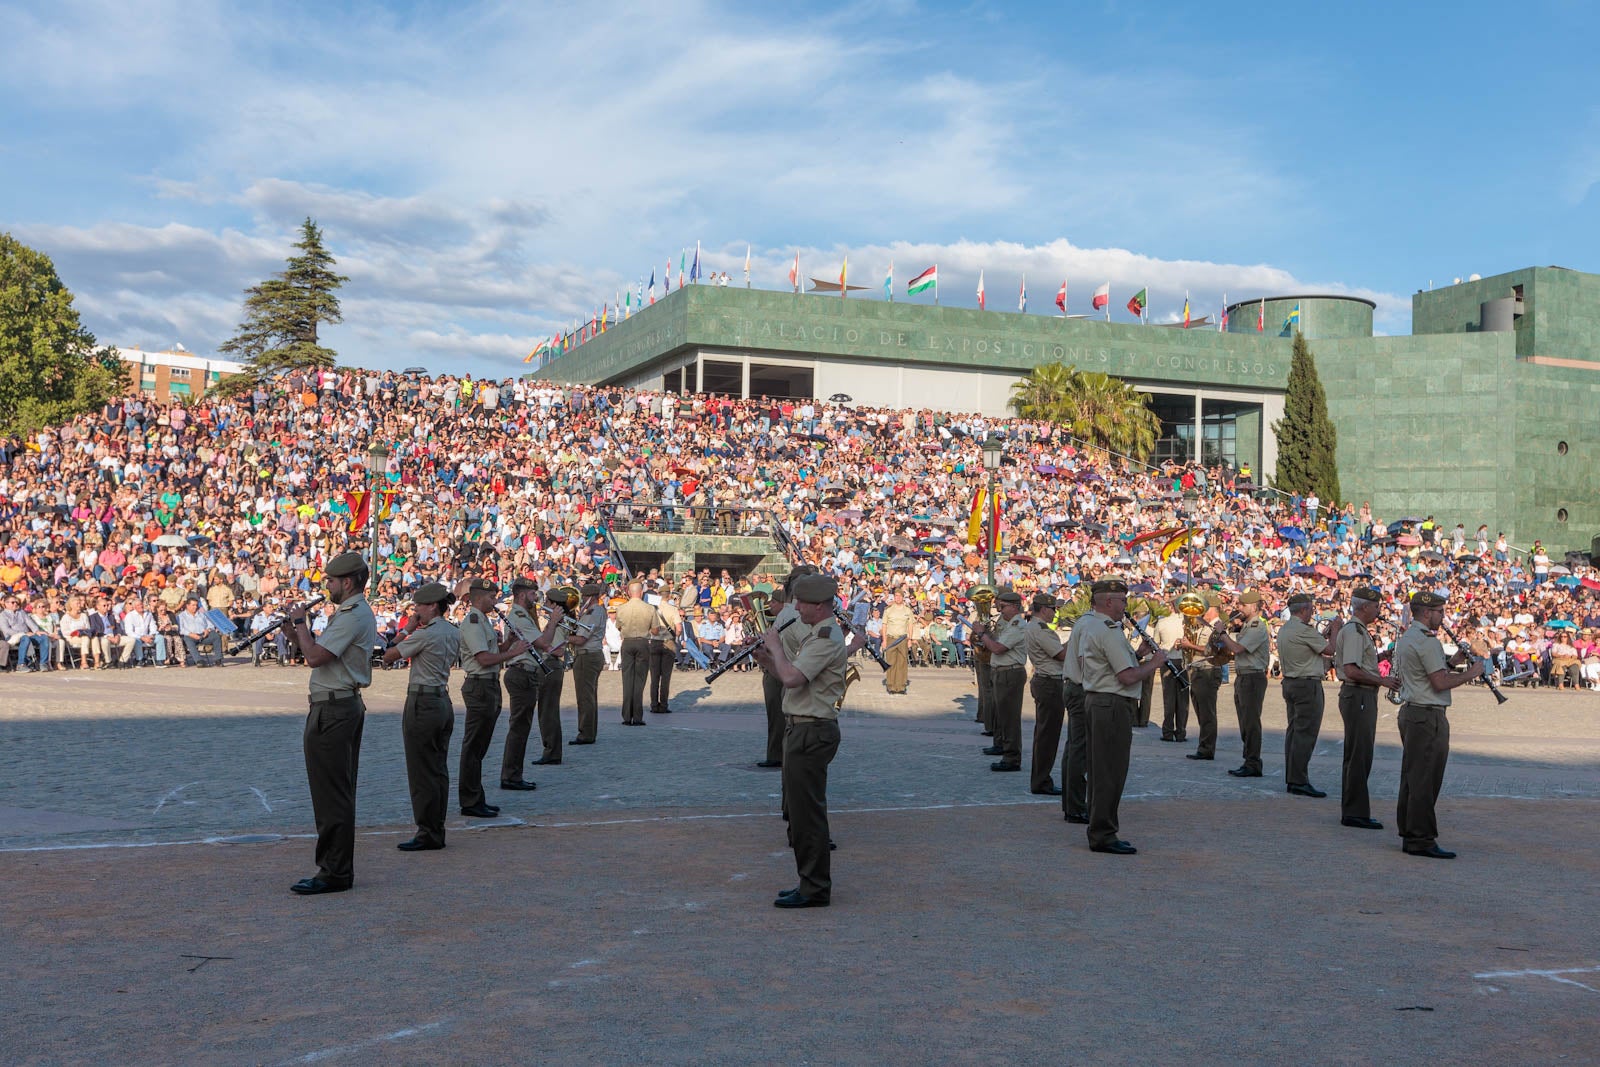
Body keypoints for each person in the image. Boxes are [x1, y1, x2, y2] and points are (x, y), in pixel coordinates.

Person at [752, 573, 849, 909]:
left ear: (819, 606)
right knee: (800, 811)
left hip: (812, 731)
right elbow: (791, 675)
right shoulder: (815, 633)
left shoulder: (824, 635)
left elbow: (792, 678)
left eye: (801, 603)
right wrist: (767, 660)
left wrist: (777, 648)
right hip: (803, 728)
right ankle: (809, 882)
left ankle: (815, 887)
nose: (796, 609)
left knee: (807, 815)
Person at [285, 552, 378, 896]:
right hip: (337, 707)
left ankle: (334, 871)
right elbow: (316, 653)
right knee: (334, 793)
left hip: (334, 711)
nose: (327, 586)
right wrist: (296, 635)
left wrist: (299, 625)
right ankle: (335, 867)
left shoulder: (353, 614)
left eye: (331, 581)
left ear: (347, 582)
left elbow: (315, 658)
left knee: (331, 796)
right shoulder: (349, 613)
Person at [1075, 578, 1168, 855]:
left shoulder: (1094, 624)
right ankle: (1103, 833)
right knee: (1110, 772)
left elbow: (1114, 664)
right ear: (1108, 602)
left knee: (1101, 767)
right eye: (1122, 600)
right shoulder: (1108, 630)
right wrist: (1155, 663)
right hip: (1111, 705)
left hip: (1100, 701)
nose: (1125, 605)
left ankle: (1100, 827)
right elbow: (1126, 676)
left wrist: (1137, 654)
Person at [1393, 590, 1482, 859]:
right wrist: (1471, 673)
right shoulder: (1428, 640)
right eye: (1440, 612)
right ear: (1427, 612)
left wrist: (1451, 663)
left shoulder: (1409, 636)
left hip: (1413, 713)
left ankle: (1410, 831)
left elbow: (1428, 671)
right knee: (1426, 778)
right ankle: (1421, 838)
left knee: (1413, 776)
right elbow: (1439, 683)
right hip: (1426, 715)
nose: (1443, 617)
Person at [382, 582, 459, 852]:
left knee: (421, 771)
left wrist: (406, 630)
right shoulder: (451, 631)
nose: (415, 611)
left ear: (433, 606)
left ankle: (428, 831)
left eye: (419, 607)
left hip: (422, 702)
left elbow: (389, 655)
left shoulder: (425, 634)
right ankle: (436, 826)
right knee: (438, 769)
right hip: (442, 700)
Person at [458, 577, 528, 817]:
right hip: (479, 686)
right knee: (474, 746)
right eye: (491, 597)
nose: (495, 600)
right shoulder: (474, 621)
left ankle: (476, 797)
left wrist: (508, 642)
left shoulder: (485, 621)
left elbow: (491, 652)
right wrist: (513, 653)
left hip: (488, 685)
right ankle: (470, 800)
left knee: (480, 746)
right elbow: (483, 659)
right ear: (479, 597)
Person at [1333, 587, 1398, 829]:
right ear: (1363, 607)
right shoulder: (1354, 631)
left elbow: (1360, 663)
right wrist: (1383, 680)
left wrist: (1382, 656)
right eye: (1376, 606)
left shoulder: (1358, 631)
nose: (1378, 611)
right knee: (1359, 756)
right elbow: (1351, 670)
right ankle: (1355, 812)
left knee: (1358, 754)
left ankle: (1354, 810)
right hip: (1358, 694)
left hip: (1361, 694)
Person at [502, 577, 564, 773]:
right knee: (519, 729)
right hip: (521, 673)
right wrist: (553, 621)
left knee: (522, 728)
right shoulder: (519, 616)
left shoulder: (524, 615)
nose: (535, 597)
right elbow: (545, 643)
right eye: (531, 594)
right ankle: (511, 774)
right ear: (521, 595)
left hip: (525, 671)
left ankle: (514, 774)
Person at [1276, 593, 1335, 796]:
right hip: (1306, 685)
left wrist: (1324, 635)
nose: (1312, 613)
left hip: (1291, 682)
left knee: (1294, 732)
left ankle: (1293, 777)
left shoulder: (1285, 629)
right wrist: (1335, 630)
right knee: (1305, 734)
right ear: (1303, 610)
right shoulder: (1303, 630)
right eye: (1310, 609)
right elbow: (1330, 649)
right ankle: (1299, 780)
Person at [1215, 590, 1269, 777]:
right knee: (1245, 721)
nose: (1239, 609)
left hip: (1252, 677)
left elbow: (1238, 649)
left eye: (1243, 606)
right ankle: (1249, 760)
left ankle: (1253, 762)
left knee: (1251, 721)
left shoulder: (1256, 626)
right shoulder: (1247, 625)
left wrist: (1222, 633)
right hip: (1244, 676)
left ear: (1254, 607)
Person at [972, 589, 1027, 772]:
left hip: (1010, 673)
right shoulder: (1007, 622)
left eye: (1002, 606)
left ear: (1014, 606)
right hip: (1001, 672)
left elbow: (997, 648)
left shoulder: (1017, 625)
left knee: (1010, 718)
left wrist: (982, 634)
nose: (999, 609)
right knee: (1001, 714)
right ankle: (1002, 746)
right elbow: (995, 641)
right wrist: (985, 634)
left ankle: (1011, 758)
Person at [1023, 592, 1066, 796]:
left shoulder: (1034, 626)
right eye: (1053, 610)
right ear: (1044, 609)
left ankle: (1040, 779)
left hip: (1045, 679)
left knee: (1044, 734)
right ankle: (1041, 780)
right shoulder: (1041, 629)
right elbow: (1061, 655)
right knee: (1048, 736)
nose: (1055, 613)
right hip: (1050, 682)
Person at [1180, 594, 1222, 764]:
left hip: (1208, 671)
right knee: (1201, 711)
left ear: (1212, 609)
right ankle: (1203, 746)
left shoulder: (1217, 627)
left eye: (1205, 609)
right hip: (1199, 671)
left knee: (1207, 712)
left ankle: (1207, 748)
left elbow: (1212, 651)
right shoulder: (1205, 626)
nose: (1202, 612)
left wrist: (1189, 646)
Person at [1059, 608, 1091, 824]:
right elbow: (1086, 662)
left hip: (1073, 687)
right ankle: (1076, 807)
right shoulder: (1091, 626)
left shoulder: (1084, 623)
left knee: (1074, 748)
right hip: (1081, 689)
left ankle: (1072, 805)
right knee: (1079, 750)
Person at [615, 580, 657, 725]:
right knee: (640, 680)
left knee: (627, 679)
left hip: (627, 642)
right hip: (643, 642)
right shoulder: (650, 608)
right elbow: (655, 630)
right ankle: (638, 717)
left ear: (628, 592)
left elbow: (618, 627)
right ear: (641, 592)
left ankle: (626, 716)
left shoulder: (621, 608)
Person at [568, 584, 607, 736]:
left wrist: (563, 638)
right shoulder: (593, 611)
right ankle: (588, 731)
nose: (581, 599)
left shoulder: (593, 612)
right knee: (588, 695)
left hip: (587, 655)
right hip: (589, 654)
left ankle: (586, 732)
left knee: (585, 697)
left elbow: (581, 639)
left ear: (589, 597)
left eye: (583, 596)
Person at [1152, 593, 1189, 742]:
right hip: (1183, 661)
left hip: (1167, 661)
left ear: (1172, 606)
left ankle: (1167, 731)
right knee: (1183, 700)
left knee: (1168, 698)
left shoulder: (1162, 623)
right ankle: (1181, 732)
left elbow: (1155, 644)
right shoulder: (1188, 623)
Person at [647, 592, 680, 714]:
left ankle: (654, 705)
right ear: (669, 596)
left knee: (654, 677)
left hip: (655, 642)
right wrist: (675, 636)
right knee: (666, 677)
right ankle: (664, 705)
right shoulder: (673, 609)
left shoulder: (652, 609)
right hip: (668, 642)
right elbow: (679, 629)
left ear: (659, 595)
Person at [881, 591, 913, 694]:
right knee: (891, 662)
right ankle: (891, 686)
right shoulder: (888, 610)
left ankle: (901, 687)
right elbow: (884, 625)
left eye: (900, 596)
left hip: (903, 639)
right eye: (896, 596)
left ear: (903, 598)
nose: (898, 598)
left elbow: (910, 626)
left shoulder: (907, 610)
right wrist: (884, 640)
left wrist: (910, 640)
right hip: (891, 638)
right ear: (894, 597)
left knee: (902, 663)